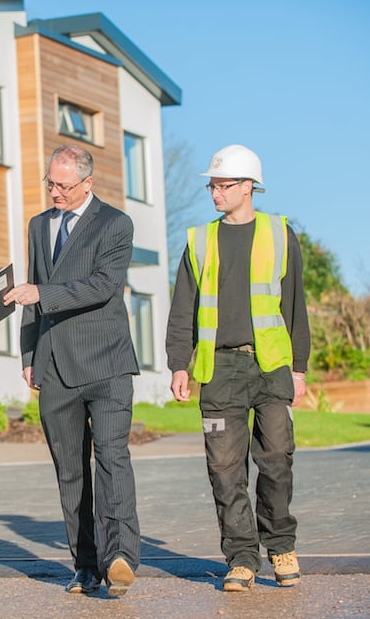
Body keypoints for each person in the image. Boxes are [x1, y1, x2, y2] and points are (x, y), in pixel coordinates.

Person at [165, 144, 310, 592]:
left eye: (223, 185)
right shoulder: (198, 241)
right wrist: (178, 364)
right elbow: (182, 307)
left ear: (248, 187)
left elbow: (294, 306)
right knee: (225, 470)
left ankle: (281, 545)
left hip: (271, 367)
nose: (214, 193)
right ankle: (242, 559)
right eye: (212, 185)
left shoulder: (281, 234)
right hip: (219, 368)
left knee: (276, 462)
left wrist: (299, 368)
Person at [3, 144, 140, 597]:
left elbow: (103, 285)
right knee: (69, 470)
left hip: (107, 363)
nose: (54, 192)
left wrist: (42, 293)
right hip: (55, 366)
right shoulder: (39, 225)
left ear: (87, 183)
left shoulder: (116, 224)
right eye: (50, 183)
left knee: (113, 457)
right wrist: (28, 355)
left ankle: (119, 557)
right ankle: (84, 565)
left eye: (62, 185)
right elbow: (30, 292)